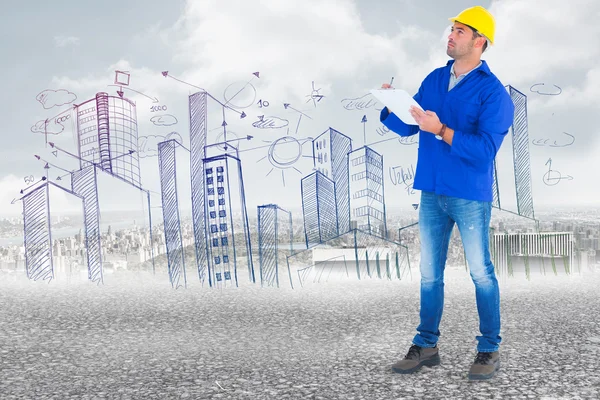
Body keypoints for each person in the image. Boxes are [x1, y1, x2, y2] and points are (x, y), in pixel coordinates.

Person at [379, 5, 514, 381]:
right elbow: (409, 127)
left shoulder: (493, 93)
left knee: (480, 273)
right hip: (432, 190)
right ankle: (426, 345)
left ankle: (488, 349)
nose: (451, 35)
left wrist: (441, 130)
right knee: (428, 273)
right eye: (451, 29)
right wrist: (391, 105)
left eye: (460, 30)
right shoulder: (435, 80)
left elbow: (485, 149)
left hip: (468, 195)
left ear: (479, 41)